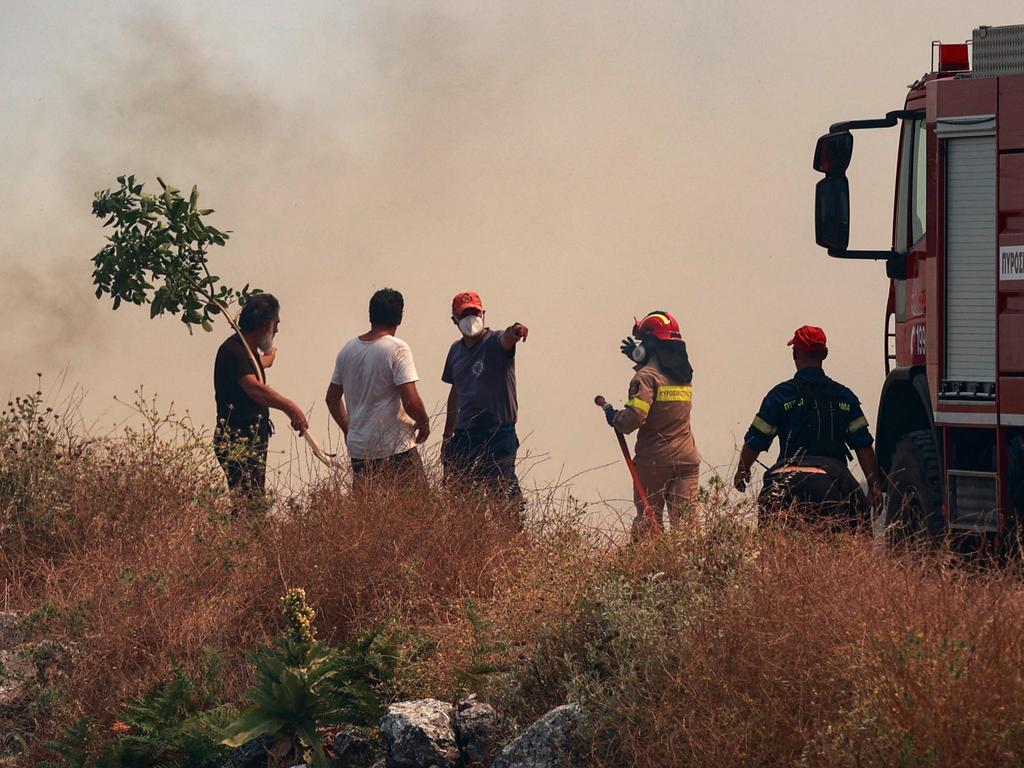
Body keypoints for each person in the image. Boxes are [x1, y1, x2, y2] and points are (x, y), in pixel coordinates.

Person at [732, 325, 883, 527]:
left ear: (794, 354)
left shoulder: (779, 395)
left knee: (773, 549)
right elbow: (863, 446)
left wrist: (742, 472)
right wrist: (874, 486)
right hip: (832, 483)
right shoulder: (844, 396)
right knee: (861, 528)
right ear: (825, 354)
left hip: (782, 484)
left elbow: (754, 441)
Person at [603, 311, 702, 538]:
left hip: (654, 462)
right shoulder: (684, 376)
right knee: (688, 530)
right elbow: (665, 370)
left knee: (649, 525)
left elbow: (635, 417)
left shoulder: (646, 377)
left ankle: (649, 571)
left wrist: (615, 417)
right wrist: (641, 359)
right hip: (687, 460)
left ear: (650, 344)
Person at [325, 288, 430, 484]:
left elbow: (331, 399)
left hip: (360, 450)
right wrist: (424, 422)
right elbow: (410, 401)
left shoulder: (347, 350)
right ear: (399, 318)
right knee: (415, 509)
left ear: (370, 315)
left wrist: (350, 429)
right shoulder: (397, 348)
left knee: (368, 512)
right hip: (395, 449)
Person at [213, 293, 309, 498]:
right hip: (237, 439)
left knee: (253, 498)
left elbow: (252, 368)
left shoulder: (247, 352)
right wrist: (290, 408)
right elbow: (255, 389)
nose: (277, 330)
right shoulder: (233, 351)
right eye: (275, 324)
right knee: (248, 501)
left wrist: (267, 360)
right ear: (265, 325)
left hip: (252, 438)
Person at [441, 291, 528, 503]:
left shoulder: (494, 342)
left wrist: (516, 330)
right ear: (454, 319)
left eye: (475, 312)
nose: (471, 319)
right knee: (463, 498)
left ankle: (511, 534)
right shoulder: (455, 351)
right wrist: (447, 436)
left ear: (483, 314)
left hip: (498, 433)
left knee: (501, 495)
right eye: (464, 314)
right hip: (466, 435)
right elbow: (455, 392)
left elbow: (508, 338)